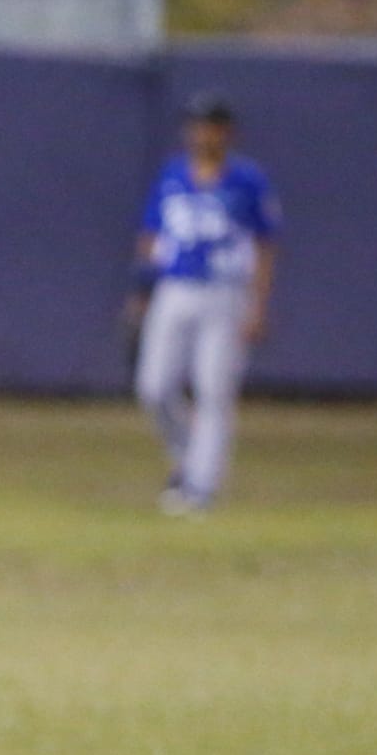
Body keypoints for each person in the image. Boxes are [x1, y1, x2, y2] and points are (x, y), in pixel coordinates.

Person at [127, 93, 280, 514]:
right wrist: (141, 291)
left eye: (210, 125)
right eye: (196, 125)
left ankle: (200, 486)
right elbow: (150, 236)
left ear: (226, 132)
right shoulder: (173, 175)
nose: (202, 133)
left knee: (214, 391)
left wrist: (258, 306)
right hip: (175, 288)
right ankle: (188, 457)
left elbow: (266, 246)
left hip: (226, 292)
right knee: (154, 387)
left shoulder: (247, 180)